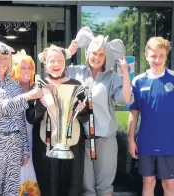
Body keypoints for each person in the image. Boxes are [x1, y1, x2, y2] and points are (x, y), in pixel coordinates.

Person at [67, 26, 133, 196]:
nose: (96, 57)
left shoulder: (112, 77)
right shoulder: (76, 72)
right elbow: (52, 69)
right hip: (82, 139)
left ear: (106, 57)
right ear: (87, 53)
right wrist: (67, 53)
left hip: (105, 139)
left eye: (101, 54)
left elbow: (126, 98)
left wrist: (125, 71)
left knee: (104, 187)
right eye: (93, 53)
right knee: (87, 187)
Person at [0, 41, 43, 196]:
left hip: (15, 143)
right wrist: (28, 96)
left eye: (5, 58)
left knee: (11, 190)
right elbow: (0, 108)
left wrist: (25, 150)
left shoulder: (14, 85)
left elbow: (20, 118)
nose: (2, 61)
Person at [26, 44, 88, 196]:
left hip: (72, 144)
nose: (56, 64)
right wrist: (42, 103)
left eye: (59, 60)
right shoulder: (37, 85)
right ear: (45, 64)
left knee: (72, 187)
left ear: (65, 63)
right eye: (51, 61)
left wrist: (81, 110)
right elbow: (30, 117)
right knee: (49, 187)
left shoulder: (76, 84)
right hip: (45, 145)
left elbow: (86, 117)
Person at [128, 37, 174, 196]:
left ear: (166, 56)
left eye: (161, 55)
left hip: (170, 142)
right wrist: (130, 139)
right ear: (146, 55)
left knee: (169, 184)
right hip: (146, 142)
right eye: (153, 55)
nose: (157, 59)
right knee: (148, 181)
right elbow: (133, 114)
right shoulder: (138, 81)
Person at [12, 49, 40, 196]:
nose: (27, 70)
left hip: (35, 139)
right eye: (23, 67)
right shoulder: (11, 90)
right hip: (16, 142)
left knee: (34, 174)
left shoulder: (37, 88)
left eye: (30, 67)